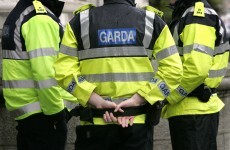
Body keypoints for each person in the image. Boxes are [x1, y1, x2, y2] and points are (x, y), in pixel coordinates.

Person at [54, 0, 183, 150]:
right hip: (137, 123)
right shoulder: (151, 21)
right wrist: (138, 99)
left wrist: (95, 100)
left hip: (95, 122)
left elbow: (64, 71)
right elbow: (173, 70)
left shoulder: (80, 22)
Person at [1, 0, 76, 149]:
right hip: (45, 116)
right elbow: (45, 73)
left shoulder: (21, 13)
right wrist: (57, 115)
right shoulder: (38, 18)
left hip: (30, 116)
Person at [162, 0, 230, 150]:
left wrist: (168, 96)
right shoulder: (189, 13)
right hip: (192, 110)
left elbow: (197, 70)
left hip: (193, 112)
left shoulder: (196, 16)